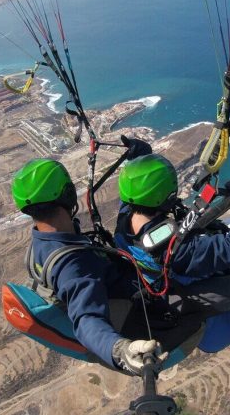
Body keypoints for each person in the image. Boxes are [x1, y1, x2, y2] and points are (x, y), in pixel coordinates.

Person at [114, 153, 230, 366]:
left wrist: (138, 152)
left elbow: (136, 190)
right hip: (185, 297)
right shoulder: (179, 249)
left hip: (167, 285)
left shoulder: (124, 222)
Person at [11, 154, 196, 375]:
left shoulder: (42, 244)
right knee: (201, 312)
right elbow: (86, 318)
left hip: (121, 294)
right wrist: (121, 350)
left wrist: (140, 154)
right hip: (139, 314)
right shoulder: (73, 265)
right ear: (69, 195)